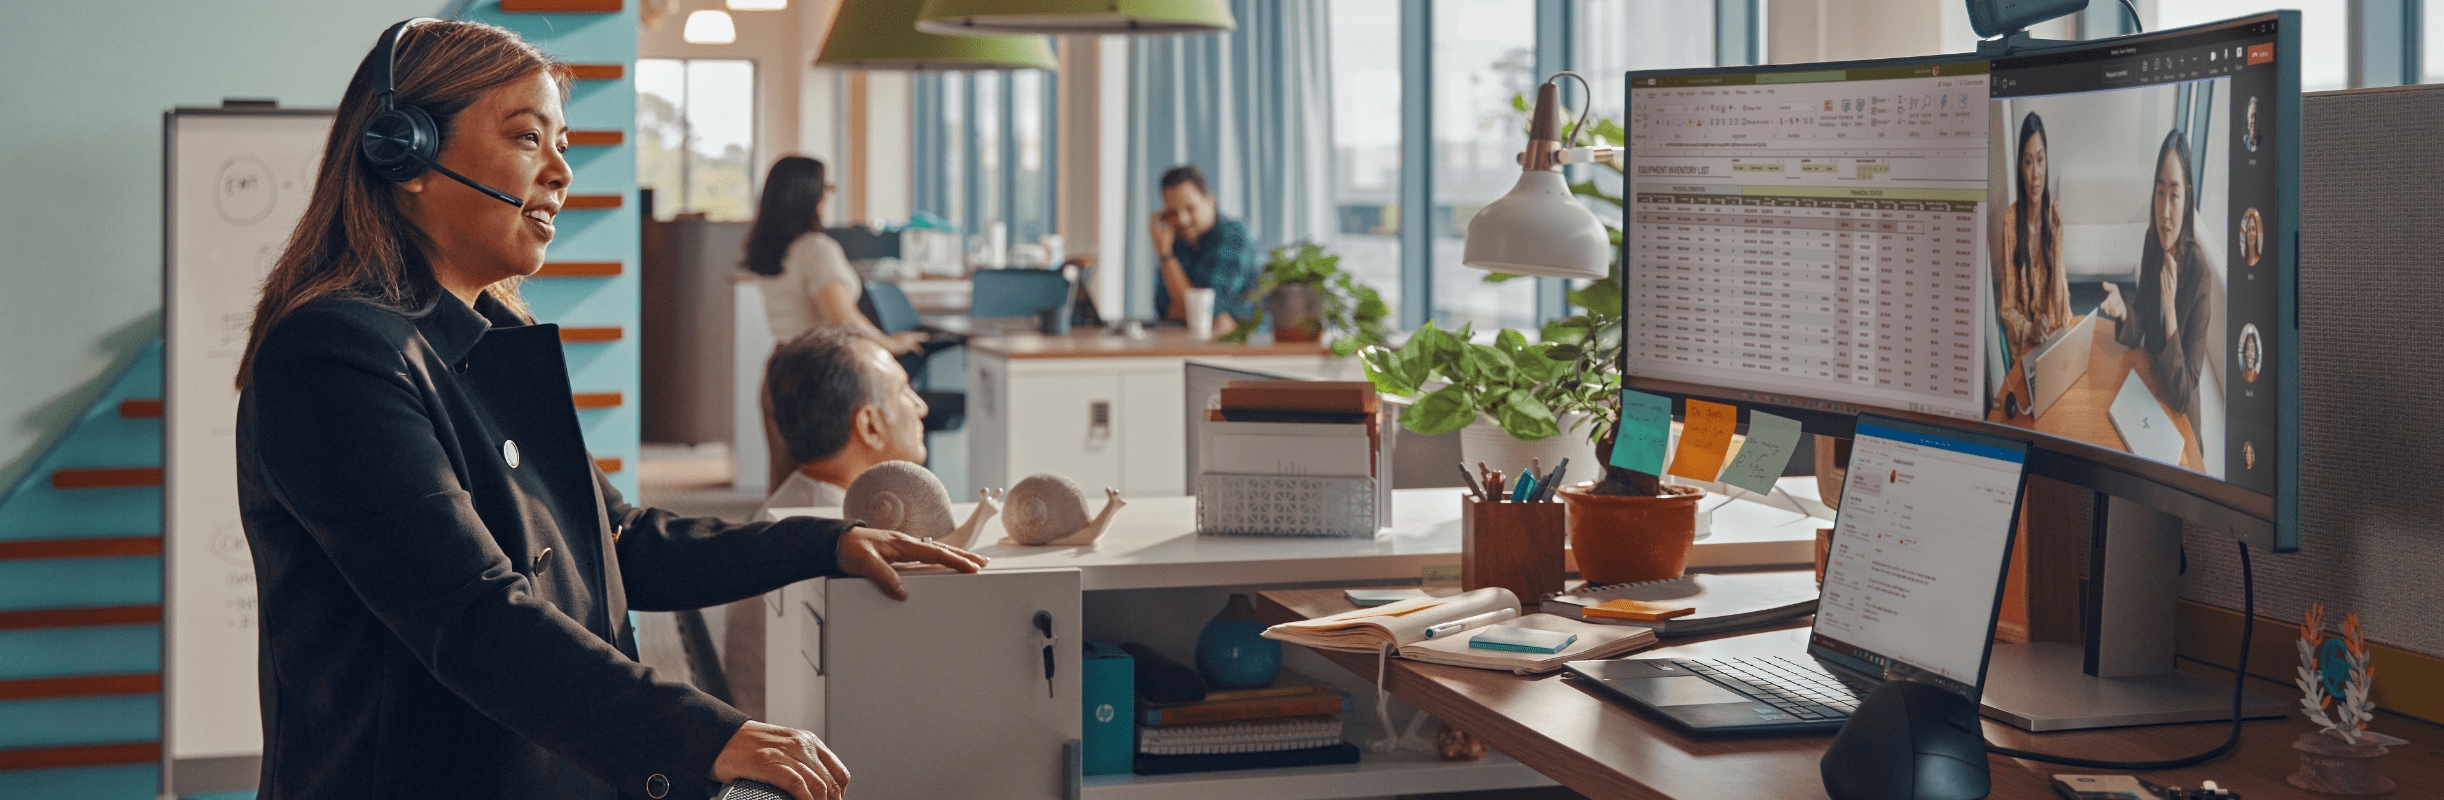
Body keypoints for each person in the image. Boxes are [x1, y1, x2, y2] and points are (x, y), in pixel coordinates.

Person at [232, 20, 982, 800]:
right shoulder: (332, 356)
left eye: (562, 142)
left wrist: (824, 543)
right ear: (406, 153)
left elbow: (618, 543)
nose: (562, 172)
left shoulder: (498, 332)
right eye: (529, 138)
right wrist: (704, 733)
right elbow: (473, 616)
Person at [718, 325, 934, 720]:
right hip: (810, 752)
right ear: (869, 425)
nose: (920, 406)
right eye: (904, 391)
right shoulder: (842, 543)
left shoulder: (794, 506)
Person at [744, 155, 925, 489]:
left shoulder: (772, 249)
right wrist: (892, 344)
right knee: (825, 488)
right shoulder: (816, 249)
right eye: (826, 188)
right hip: (814, 376)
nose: (828, 196)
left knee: (786, 487)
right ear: (809, 195)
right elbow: (843, 319)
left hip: (778, 366)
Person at [2099, 130, 2215, 414]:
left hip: (2178, 416)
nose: (2164, 211)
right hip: (2148, 391)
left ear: (2187, 200)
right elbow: (2140, 323)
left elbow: (2184, 395)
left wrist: (2170, 311)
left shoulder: (2199, 274)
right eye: (2160, 192)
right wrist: (2125, 311)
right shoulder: (2153, 243)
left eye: (2174, 195)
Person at [1996, 112, 2071, 357]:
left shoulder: (2054, 218)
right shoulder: (2009, 222)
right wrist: (2030, 330)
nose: (2035, 174)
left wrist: (2057, 248)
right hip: (2026, 346)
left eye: (2040, 160)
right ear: (2020, 166)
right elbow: (2007, 308)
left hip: (2054, 340)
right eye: (2028, 162)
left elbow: (2060, 313)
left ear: (2047, 162)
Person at [1149, 165, 1256, 335]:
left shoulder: (1234, 236)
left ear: (1210, 201)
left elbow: (1205, 311)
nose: (1182, 220)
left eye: (1190, 208)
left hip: (1247, 346)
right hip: (1193, 341)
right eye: (1173, 212)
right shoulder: (1176, 242)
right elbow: (1164, 309)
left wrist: (1165, 255)